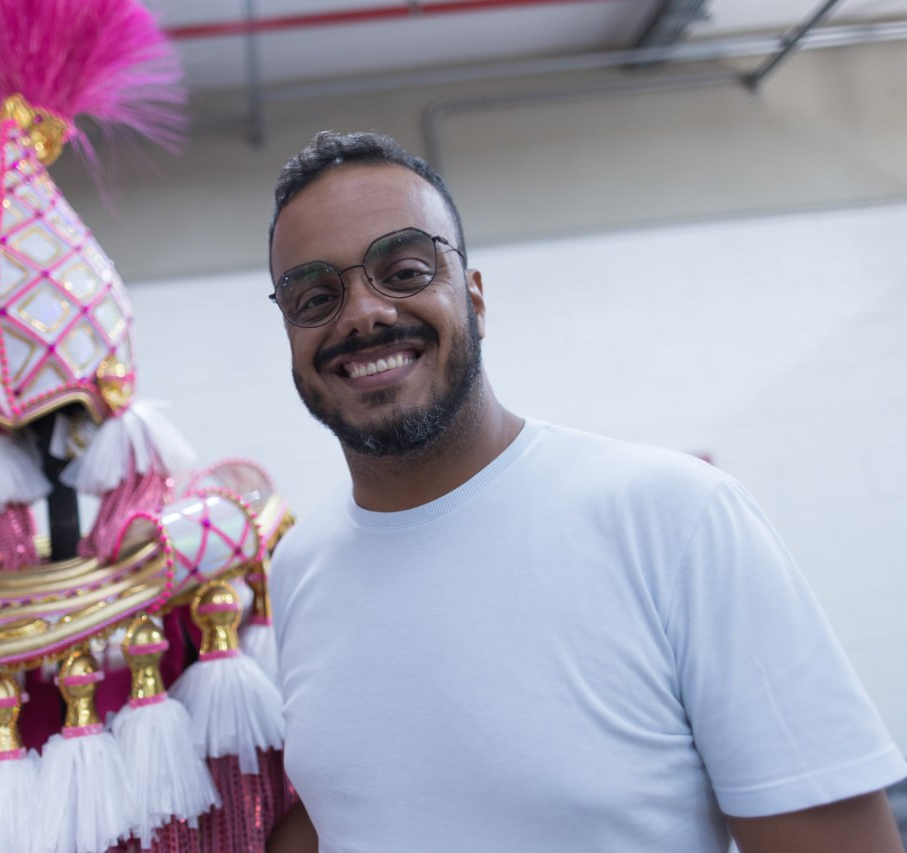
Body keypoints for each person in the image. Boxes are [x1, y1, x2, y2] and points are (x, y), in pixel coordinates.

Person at [262, 130, 907, 853]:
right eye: (314, 295)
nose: (362, 314)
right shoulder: (296, 569)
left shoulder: (677, 516)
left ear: (474, 298)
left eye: (405, 269)